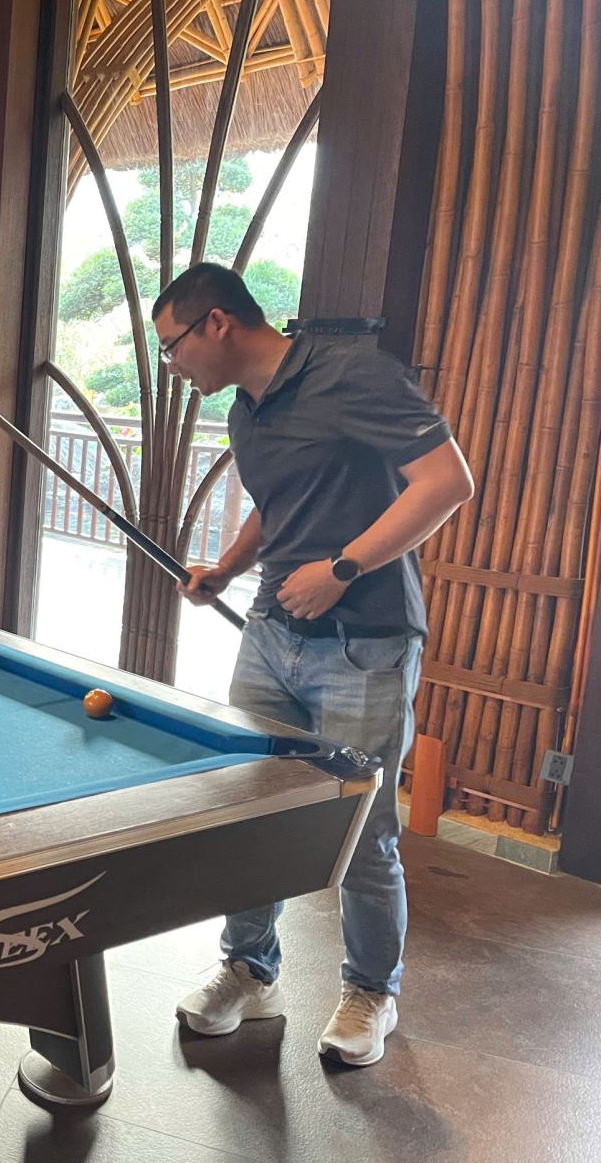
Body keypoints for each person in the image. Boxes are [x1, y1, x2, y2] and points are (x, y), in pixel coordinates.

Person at [160, 263, 474, 1067]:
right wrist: (227, 568)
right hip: (272, 635)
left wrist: (341, 567)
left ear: (217, 323)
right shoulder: (246, 409)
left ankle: (372, 990)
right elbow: (279, 505)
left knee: (363, 829)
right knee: (252, 810)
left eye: (173, 346)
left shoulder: (354, 375)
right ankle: (250, 969)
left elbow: (448, 482)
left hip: (366, 643)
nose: (172, 364)